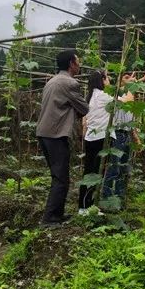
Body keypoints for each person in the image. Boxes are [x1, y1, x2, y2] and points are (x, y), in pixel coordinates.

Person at [36, 50, 89, 227]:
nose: (80, 65)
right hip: (56, 134)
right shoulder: (70, 83)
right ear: (71, 64)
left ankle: (57, 215)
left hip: (45, 132)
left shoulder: (52, 81)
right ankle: (49, 218)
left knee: (57, 176)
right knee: (61, 178)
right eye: (78, 61)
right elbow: (84, 108)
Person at [101, 70, 145, 209]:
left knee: (124, 168)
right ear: (120, 82)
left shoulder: (130, 97)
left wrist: (136, 138)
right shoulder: (115, 95)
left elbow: (131, 122)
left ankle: (119, 199)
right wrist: (142, 79)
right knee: (114, 167)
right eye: (126, 77)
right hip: (117, 135)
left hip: (126, 135)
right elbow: (129, 92)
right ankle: (106, 199)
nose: (130, 79)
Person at [77, 70, 112, 214]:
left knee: (90, 171)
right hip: (98, 139)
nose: (109, 81)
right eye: (108, 78)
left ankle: (86, 206)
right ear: (102, 80)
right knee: (94, 172)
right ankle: (86, 208)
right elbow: (126, 100)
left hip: (91, 138)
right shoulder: (103, 96)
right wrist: (134, 84)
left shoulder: (91, 96)